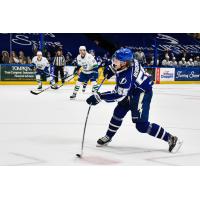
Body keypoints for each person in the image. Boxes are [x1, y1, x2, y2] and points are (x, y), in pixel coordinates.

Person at [86, 48, 182, 153]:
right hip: (131, 90)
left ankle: (170, 138)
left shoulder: (126, 77)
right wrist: (111, 69)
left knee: (142, 125)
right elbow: (119, 70)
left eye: (116, 60)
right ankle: (108, 136)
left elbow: (119, 95)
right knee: (118, 113)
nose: (114, 61)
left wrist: (99, 96)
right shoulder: (130, 61)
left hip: (142, 93)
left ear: (124, 63)